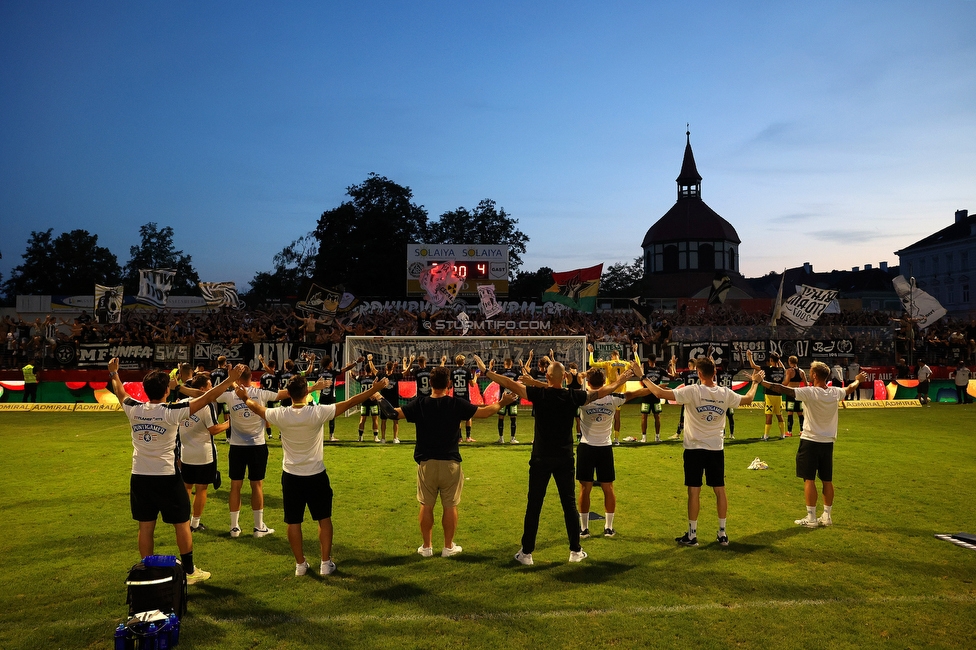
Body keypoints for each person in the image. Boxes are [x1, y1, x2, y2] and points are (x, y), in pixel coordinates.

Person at [474, 354, 634, 565]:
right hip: (565, 458)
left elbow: (509, 383)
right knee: (568, 504)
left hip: (541, 457)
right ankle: (575, 551)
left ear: (547, 377)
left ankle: (527, 553)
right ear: (563, 377)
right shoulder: (572, 396)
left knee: (534, 504)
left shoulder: (539, 394)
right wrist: (619, 382)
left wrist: (486, 372)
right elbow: (599, 392)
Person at [108, 356, 245, 584]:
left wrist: (114, 374)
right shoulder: (171, 411)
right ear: (165, 391)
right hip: (166, 477)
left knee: (145, 526)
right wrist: (230, 380)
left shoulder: (133, 409)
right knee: (181, 523)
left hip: (139, 476)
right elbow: (208, 397)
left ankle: (150, 572)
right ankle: (190, 572)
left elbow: (121, 392)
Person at [237, 374, 389, 576]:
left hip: (291, 475)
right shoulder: (317, 412)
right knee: (324, 518)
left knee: (293, 521)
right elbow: (352, 401)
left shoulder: (280, 414)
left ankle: (300, 565)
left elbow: (258, 408)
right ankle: (325, 563)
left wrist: (244, 397)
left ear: (288, 394)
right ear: (307, 393)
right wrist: (374, 389)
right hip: (316, 474)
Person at [383, 366, 517, 558]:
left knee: (426, 505)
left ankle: (427, 547)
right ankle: (447, 547)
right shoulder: (456, 404)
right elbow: (485, 413)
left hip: (426, 463)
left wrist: (378, 397)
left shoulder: (420, 403)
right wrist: (502, 402)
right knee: (450, 505)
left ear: (430, 383)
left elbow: (393, 414)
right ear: (449, 384)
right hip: (450, 463)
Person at [640, 356, 762, 547]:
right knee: (719, 490)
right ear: (715, 373)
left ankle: (692, 534)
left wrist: (643, 377)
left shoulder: (692, 391)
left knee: (694, 491)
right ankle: (722, 534)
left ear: (698, 373)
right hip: (715, 448)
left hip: (694, 449)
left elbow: (659, 393)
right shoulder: (724, 393)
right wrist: (754, 382)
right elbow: (748, 399)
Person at [215, 367, 322, 538]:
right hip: (257, 445)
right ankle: (258, 527)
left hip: (236, 446)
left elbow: (206, 395)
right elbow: (288, 393)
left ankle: (234, 528)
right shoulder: (261, 394)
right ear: (252, 377)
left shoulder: (229, 395)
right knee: (256, 485)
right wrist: (313, 388)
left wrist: (230, 380)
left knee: (235, 486)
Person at [758, 362, 866, 527]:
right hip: (828, 442)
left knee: (809, 479)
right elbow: (850, 388)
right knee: (827, 480)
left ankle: (811, 518)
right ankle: (827, 516)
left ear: (815, 375)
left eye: (811, 372)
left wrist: (761, 381)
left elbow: (782, 389)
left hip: (810, 441)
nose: (809, 374)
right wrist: (858, 380)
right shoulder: (834, 392)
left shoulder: (810, 392)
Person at [577, 368, 650, 539]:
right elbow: (635, 393)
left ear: (589, 382)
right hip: (605, 448)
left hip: (586, 446)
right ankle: (608, 527)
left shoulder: (582, 398)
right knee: (608, 488)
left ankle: (583, 529)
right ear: (604, 382)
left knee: (584, 489)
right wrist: (655, 388)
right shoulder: (614, 399)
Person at [177, 374, 230, 532]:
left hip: (186, 452)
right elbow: (213, 429)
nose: (211, 389)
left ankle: (184, 520)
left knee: (186, 487)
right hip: (203, 454)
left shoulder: (182, 403)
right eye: (209, 386)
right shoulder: (206, 405)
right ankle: (195, 523)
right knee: (201, 489)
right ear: (201, 389)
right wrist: (229, 423)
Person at [588, 343, 639, 445]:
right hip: (620, 393)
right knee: (617, 417)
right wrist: (635, 352)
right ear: (618, 356)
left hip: (609, 392)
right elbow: (637, 365)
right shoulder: (625, 363)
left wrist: (591, 353)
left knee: (604, 414)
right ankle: (616, 439)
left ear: (612, 356)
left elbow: (592, 363)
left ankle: (601, 437)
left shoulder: (609, 363)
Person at [314, 355, 358, 442]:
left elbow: (313, 371)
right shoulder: (333, 372)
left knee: (319, 418)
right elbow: (346, 369)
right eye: (331, 362)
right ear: (329, 363)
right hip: (331, 398)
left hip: (322, 397)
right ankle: (331, 436)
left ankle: (317, 436)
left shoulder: (319, 372)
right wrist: (356, 362)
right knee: (332, 417)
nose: (332, 364)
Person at [748, 350, 786, 439]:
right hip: (779, 396)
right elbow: (783, 367)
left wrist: (749, 356)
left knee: (768, 415)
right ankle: (782, 434)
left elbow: (753, 366)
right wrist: (778, 359)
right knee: (779, 415)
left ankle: (766, 436)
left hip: (769, 395)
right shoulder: (781, 370)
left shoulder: (768, 369)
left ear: (771, 360)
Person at [490, 358, 522, 444]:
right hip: (513, 398)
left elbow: (491, 375)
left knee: (501, 418)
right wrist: (522, 366)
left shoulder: (501, 372)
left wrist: (491, 366)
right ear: (511, 364)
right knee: (513, 419)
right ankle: (512, 438)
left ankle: (501, 438)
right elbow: (523, 378)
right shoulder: (516, 372)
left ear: (504, 364)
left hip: (503, 399)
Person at [639, 353, 669, 442]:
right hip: (649, 395)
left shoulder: (657, 369)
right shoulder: (646, 369)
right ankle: (653, 437)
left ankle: (651, 437)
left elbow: (668, 374)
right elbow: (670, 375)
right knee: (650, 416)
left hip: (653, 396)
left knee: (651, 416)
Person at [450, 354, 477, 442]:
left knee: (457, 418)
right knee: (468, 416)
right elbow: (472, 384)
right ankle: (468, 437)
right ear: (464, 362)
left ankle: (459, 437)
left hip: (456, 396)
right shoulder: (467, 370)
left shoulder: (452, 371)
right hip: (465, 396)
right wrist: (476, 377)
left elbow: (449, 385)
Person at [378, 359, 405, 443]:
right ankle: (395, 438)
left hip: (384, 400)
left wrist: (370, 361)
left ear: (386, 368)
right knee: (395, 420)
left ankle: (383, 438)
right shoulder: (396, 376)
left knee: (383, 420)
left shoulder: (382, 375)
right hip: (394, 400)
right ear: (392, 367)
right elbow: (406, 372)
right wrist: (409, 362)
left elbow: (373, 370)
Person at [671, 357, 698, 440]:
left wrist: (673, 364)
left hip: (687, 398)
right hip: (697, 398)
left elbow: (674, 374)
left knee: (683, 416)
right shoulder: (700, 373)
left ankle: (678, 433)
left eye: (689, 365)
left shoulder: (686, 373)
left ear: (691, 365)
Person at [356, 355, 380, 442]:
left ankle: (360, 437)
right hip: (373, 401)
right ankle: (375, 437)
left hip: (364, 401)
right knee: (375, 419)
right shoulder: (375, 378)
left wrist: (350, 369)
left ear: (365, 370)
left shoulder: (361, 378)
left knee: (362, 419)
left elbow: (353, 376)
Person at [784, 356, 807, 436]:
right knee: (800, 413)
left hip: (791, 393)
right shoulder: (802, 372)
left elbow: (786, 383)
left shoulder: (789, 371)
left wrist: (779, 384)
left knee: (790, 412)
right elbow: (806, 384)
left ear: (789, 362)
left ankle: (789, 432)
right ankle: (802, 431)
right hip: (799, 393)